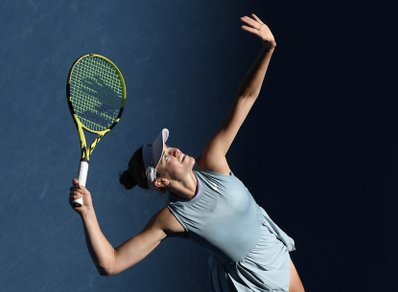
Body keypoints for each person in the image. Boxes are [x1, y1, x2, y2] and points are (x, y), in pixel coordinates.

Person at [70, 13, 305, 292]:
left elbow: (245, 98)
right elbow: (110, 263)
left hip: (273, 251)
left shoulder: (214, 161)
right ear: (161, 181)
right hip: (250, 284)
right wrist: (88, 213)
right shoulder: (172, 219)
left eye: (168, 147)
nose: (174, 150)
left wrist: (268, 50)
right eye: (165, 156)